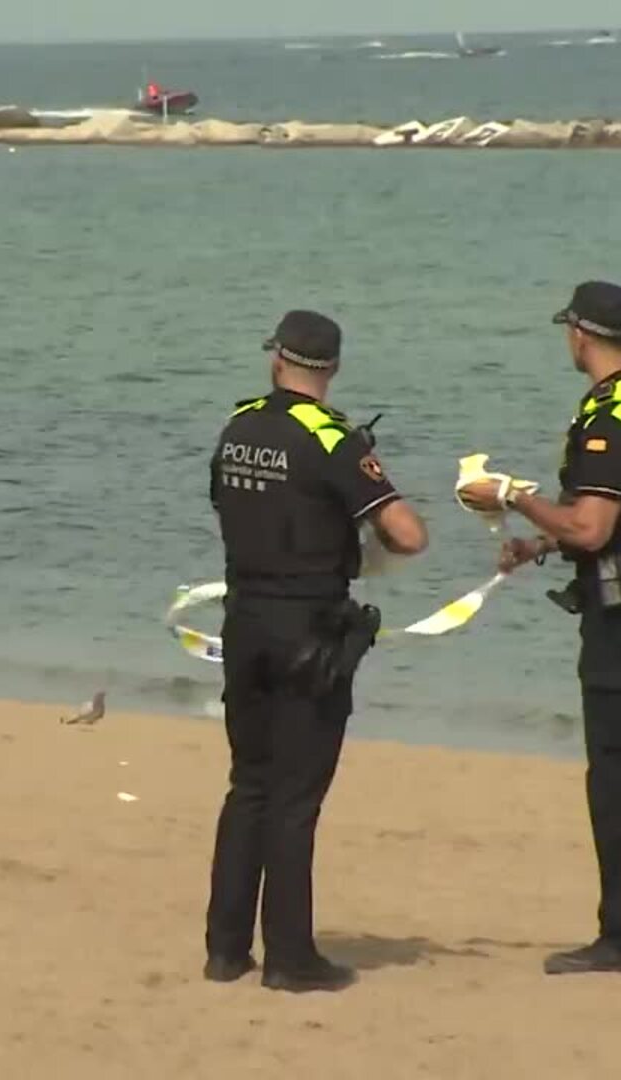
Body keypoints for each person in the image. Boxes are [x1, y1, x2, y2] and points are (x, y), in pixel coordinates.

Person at [459, 282, 621, 976]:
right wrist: (541, 547)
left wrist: (512, 496)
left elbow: (592, 526)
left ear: (580, 335)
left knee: (620, 775)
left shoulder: (608, 413)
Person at [204, 310, 429, 993]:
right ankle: (292, 959)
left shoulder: (238, 427)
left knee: (250, 783)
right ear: (330, 369)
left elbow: (229, 504)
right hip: (308, 629)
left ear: (278, 359)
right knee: (297, 797)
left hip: (243, 620)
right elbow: (409, 534)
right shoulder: (331, 439)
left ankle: (225, 949)